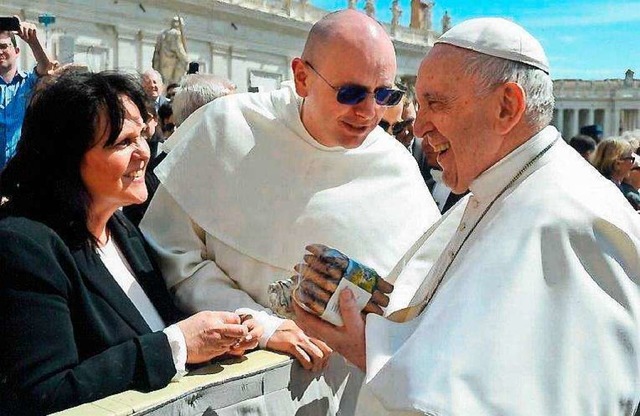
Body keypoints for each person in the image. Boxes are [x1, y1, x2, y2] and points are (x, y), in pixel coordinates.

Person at [294, 17, 640, 415]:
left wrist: (366, 350)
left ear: (506, 106)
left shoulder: (572, 220)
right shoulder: (498, 188)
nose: (419, 127)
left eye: (436, 103)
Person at [140, 9, 440, 414]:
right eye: (350, 93)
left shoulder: (397, 165)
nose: (369, 112)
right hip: (235, 387)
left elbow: (423, 290)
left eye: (384, 95)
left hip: (349, 393)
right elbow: (174, 256)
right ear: (302, 76)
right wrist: (262, 325)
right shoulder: (227, 128)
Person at [0, 71, 259, 415]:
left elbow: (153, 325)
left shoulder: (121, 226)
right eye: (123, 143)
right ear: (68, 158)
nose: (143, 154)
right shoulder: (23, 247)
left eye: (142, 136)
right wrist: (177, 346)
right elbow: (45, 393)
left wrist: (221, 337)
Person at [0, 16, 54, 170]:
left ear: (16, 51)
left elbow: (47, 68)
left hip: (22, 172)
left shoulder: (29, 82)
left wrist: (33, 41)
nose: (0, 51)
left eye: (4, 46)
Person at [152, 16, 189, 86]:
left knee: (163, 83)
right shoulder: (175, 34)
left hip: (162, 63)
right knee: (173, 84)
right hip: (172, 64)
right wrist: (186, 59)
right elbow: (178, 48)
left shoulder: (163, 34)